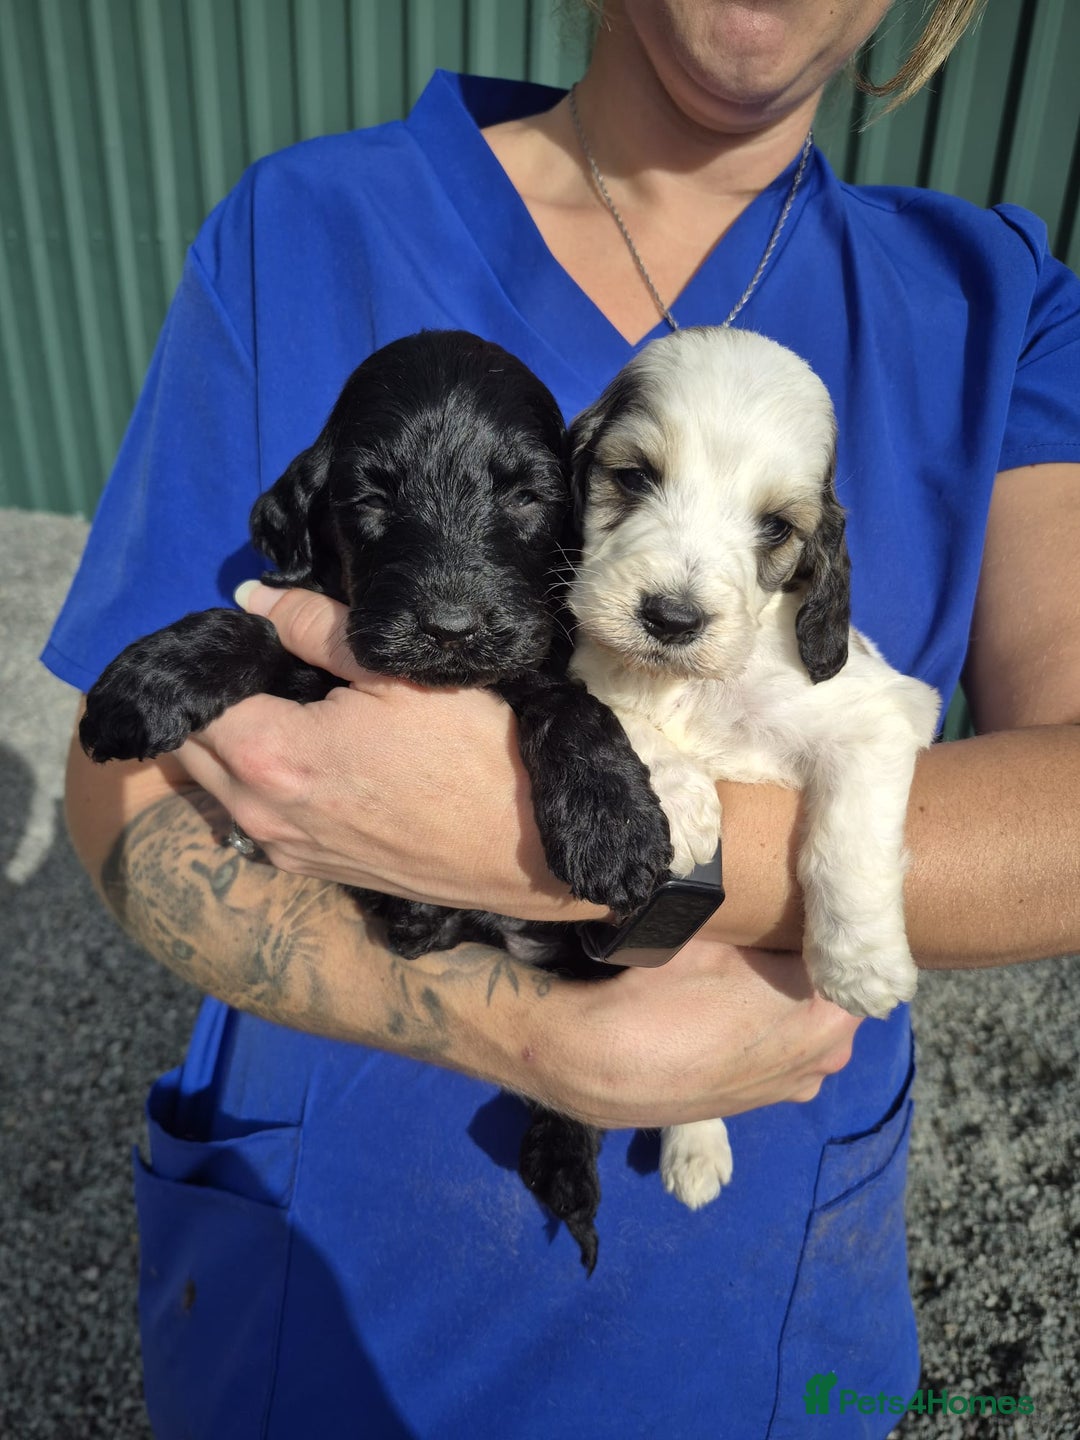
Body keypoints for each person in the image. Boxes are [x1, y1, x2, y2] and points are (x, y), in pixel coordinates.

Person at [49, 1, 1080, 1434]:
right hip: (321, 1280)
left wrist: (668, 870)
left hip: (761, 1322)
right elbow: (116, 782)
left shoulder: (1001, 293)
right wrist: (532, 1036)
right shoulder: (298, 225)